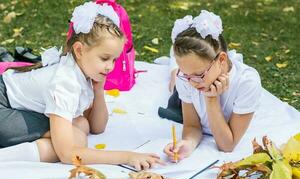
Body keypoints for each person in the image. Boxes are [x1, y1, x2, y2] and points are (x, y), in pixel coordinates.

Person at [0, 2, 163, 170]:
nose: (111, 66)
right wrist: (127, 156)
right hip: (2, 107)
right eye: (105, 58)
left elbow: (97, 127)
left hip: (11, 105)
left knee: (81, 125)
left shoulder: (83, 71)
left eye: (114, 59)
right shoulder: (65, 82)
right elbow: (67, 155)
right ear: (79, 50)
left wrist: (98, 91)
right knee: (76, 140)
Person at [164, 10, 262, 162]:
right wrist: (188, 144)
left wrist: (211, 99)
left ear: (222, 59)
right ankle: (174, 67)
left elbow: (227, 145)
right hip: (183, 81)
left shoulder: (247, 83)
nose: (192, 82)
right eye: (187, 75)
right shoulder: (186, 79)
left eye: (199, 74)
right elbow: (192, 126)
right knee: (173, 83)